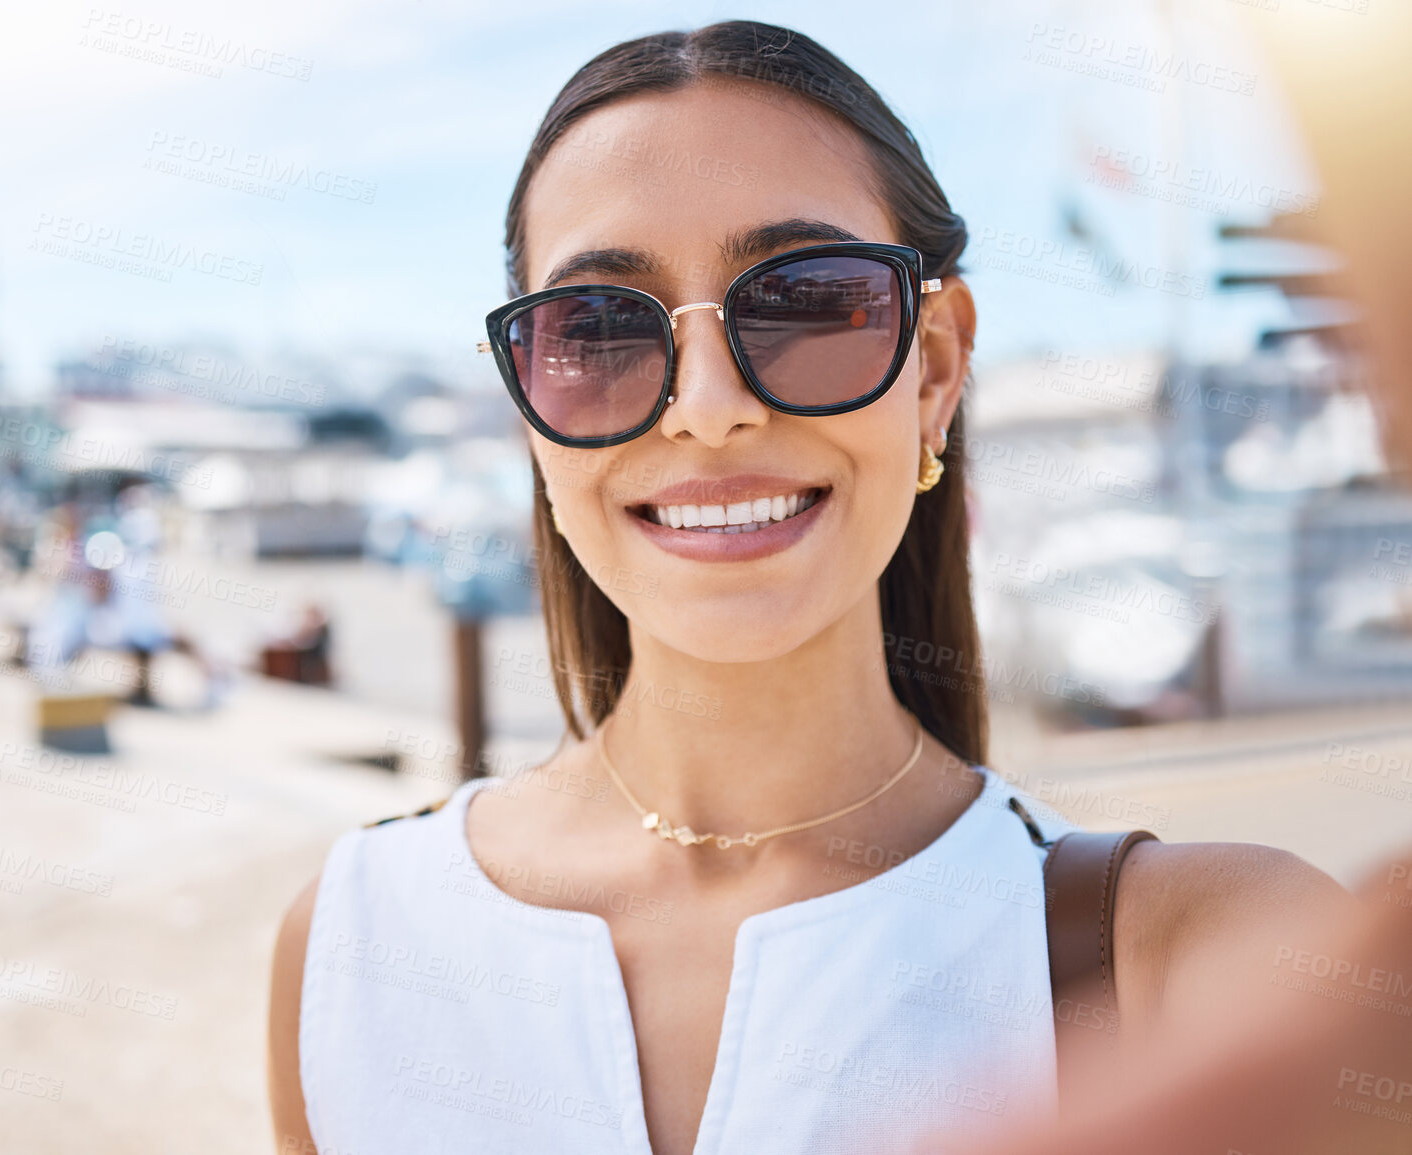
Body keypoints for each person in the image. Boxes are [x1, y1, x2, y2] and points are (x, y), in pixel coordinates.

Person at [267, 21, 1353, 1154]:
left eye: (809, 303)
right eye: (595, 329)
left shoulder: (1209, 955)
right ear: (530, 402)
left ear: (935, 369)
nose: (707, 404)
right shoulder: (350, 945)